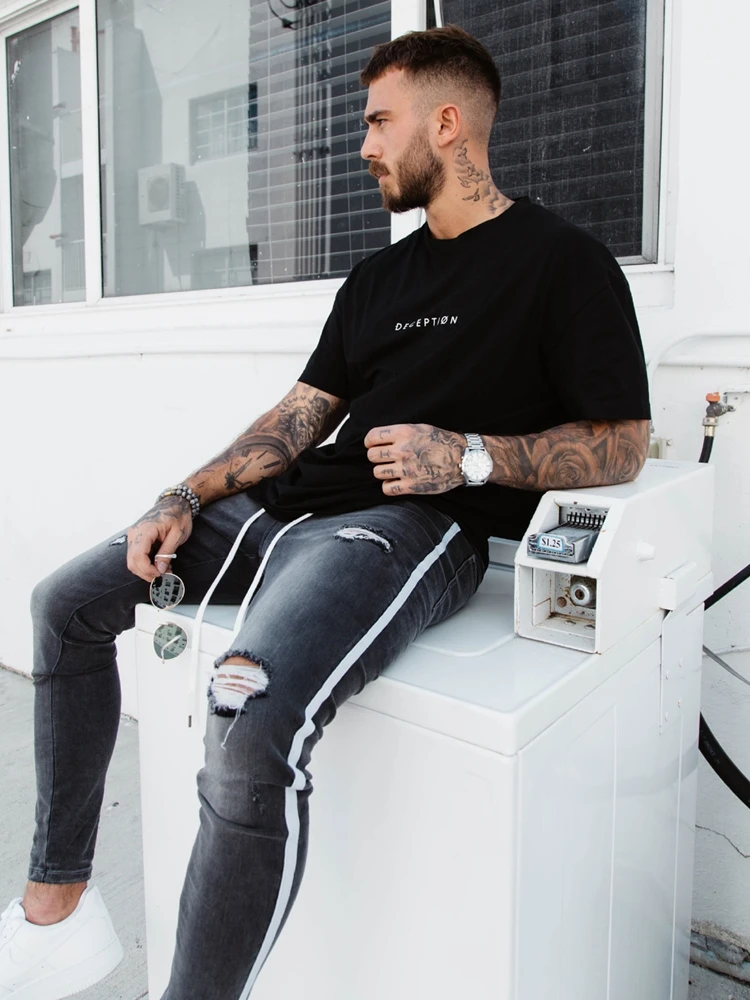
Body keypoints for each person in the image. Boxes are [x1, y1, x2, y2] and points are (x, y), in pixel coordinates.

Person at [0, 24, 651, 1000]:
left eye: (380, 122)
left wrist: (468, 455)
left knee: (245, 717)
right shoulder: (378, 279)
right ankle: (58, 912)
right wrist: (182, 495)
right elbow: (297, 419)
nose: (364, 145)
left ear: (447, 122)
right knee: (66, 604)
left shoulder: (563, 262)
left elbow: (623, 440)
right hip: (283, 511)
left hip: (404, 528)